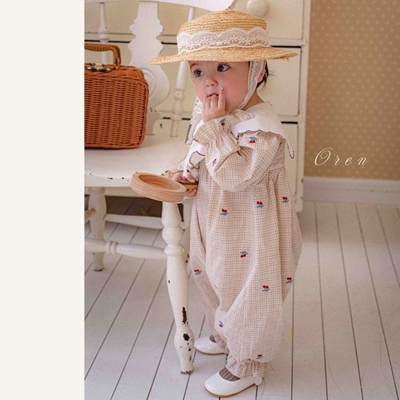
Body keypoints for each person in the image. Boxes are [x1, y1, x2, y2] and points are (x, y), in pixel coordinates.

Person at [150, 9, 302, 397]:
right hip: (214, 224)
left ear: (257, 71)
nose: (209, 82)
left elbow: (235, 176)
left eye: (222, 67)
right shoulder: (217, 119)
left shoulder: (262, 129)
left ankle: (248, 361)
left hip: (253, 233)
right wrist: (188, 176)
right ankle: (225, 333)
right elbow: (204, 159)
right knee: (210, 276)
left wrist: (216, 130)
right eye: (198, 71)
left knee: (247, 291)